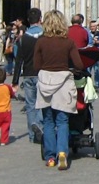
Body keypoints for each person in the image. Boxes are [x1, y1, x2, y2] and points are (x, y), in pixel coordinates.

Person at [33, 10, 85, 170]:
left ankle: (50, 157)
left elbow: (36, 66)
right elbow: (79, 65)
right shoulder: (68, 42)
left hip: (45, 82)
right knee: (62, 121)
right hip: (63, 83)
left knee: (48, 121)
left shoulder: (40, 42)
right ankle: (62, 152)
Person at [11, 8, 44, 145]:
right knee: (43, 104)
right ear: (40, 19)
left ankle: (32, 135)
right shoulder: (45, 37)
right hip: (42, 74)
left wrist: (15, 81)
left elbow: (18, 61)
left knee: (30, 105)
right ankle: (40, 129)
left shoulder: (23, 39)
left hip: (28, 74)